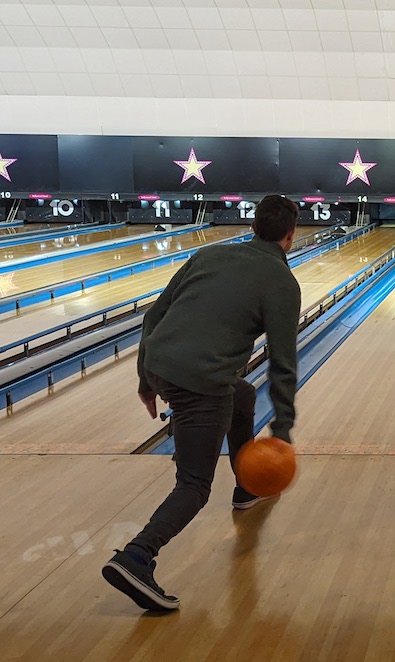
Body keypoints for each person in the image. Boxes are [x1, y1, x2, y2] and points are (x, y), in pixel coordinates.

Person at [102, 194, 302, 611]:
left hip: (158, 361)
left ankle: (246, 489)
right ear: (290, 235)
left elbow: (153, 316)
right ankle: (138, 557)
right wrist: (281, 434)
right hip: (200, 383)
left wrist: (145, 378)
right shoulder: (283, 283)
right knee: (194, 485)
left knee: (241, 393)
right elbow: (282, 364)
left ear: (252, 228)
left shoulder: (209, 254)